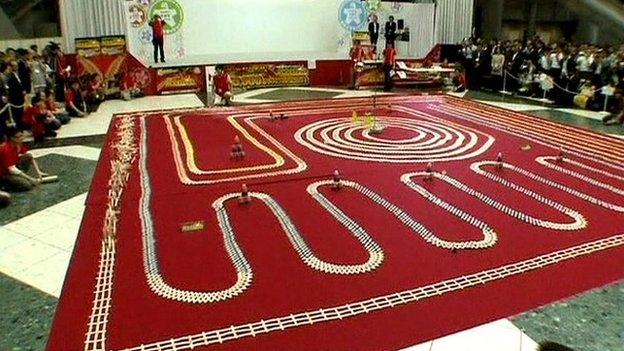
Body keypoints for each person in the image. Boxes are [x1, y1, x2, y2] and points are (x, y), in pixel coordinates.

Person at [0, 127, 46, 191]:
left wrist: (39, 172)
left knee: (28, 156)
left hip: (14, 167)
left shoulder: (18, 144)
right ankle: (4, 185)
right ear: (12, 138)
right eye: (18, 137)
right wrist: (30, 178)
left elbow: (30, 156)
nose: (22, 138)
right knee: (27, 185)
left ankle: (20, 177)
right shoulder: (6, 149)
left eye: (22, 135)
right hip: (4, 174)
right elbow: (12, 169)